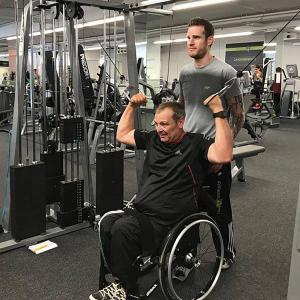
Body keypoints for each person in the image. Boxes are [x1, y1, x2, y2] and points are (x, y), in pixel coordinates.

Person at [89, 92, 233, 300]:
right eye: (156, 124)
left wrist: (218, 112)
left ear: (181, 122)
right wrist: (131, 106)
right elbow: (122, 134)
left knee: (122, 229)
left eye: (164, 124)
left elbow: (224, 155)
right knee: (106, 222)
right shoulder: (152, 139)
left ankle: (126, 289)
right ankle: (121, 276)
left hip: (168, 218)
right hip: (141, 210)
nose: (159, 129)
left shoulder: (195, 143)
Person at [179, 18, 245, 269]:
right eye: (188, 37)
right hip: (189, 149)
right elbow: (184, 109)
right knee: (187, 207)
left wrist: (223, 150)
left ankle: (226, 254)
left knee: (218, 207)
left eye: (196, 37)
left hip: (214, 147)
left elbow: (238, 116)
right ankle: (188, 254)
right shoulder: (185, 72)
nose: (190, 42)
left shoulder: (225, 72)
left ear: (209, 40)